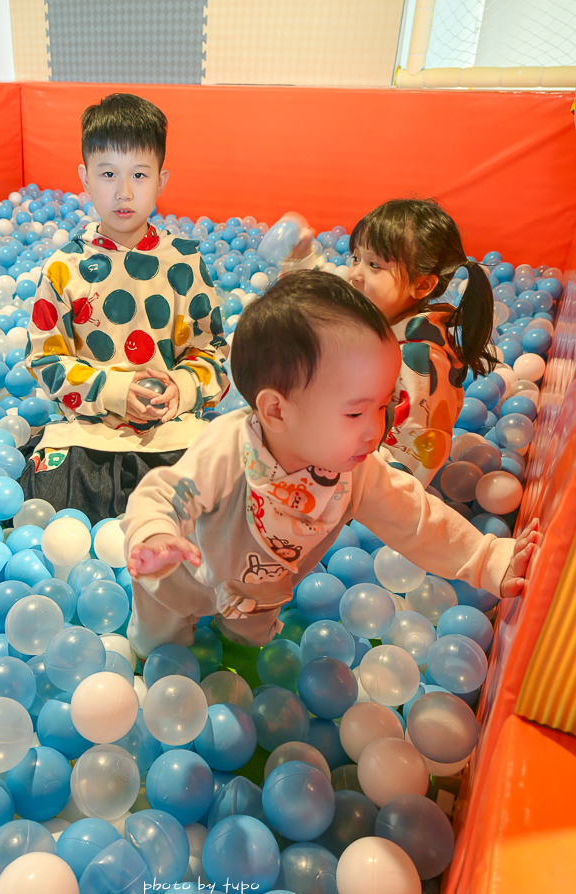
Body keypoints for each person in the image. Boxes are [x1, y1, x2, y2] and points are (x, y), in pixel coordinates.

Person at [121, 272, 537, 658]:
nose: (375, 429)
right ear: (277, 412)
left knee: (250, 649)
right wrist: (156, 536)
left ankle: (241, 658)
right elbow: (166, 494)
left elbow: (416, 520)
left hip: (262, 593)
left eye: (383, 405)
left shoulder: (353, 470)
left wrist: (489, 558)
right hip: (179, 575)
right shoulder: (228, 451)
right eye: (356, 414)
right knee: (160, 647)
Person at [20, 93, 229, 519]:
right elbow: (45, 358)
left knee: (225, 499)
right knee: (48, 499)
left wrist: (181, 389)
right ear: (84, 178)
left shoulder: (184, 261)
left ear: (162, 180)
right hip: (91, 435)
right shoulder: (66, 268)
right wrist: (112, 391)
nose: (124, 191)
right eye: (108, 173)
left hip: (173, 433)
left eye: (139, 174)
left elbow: (215, 352)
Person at [279, 199, 496, 486]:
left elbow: (412, 454)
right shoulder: (376, 314)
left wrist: (343, 485)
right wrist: (301, 258)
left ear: (422, 285)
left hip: (366, 479)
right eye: (355, 258)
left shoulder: (418, 361)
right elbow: (316, 305)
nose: (355, 274)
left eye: (374, 265)